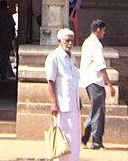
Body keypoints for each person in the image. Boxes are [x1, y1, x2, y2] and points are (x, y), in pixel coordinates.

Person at [79, 19, 116, 150]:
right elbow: (101, 66)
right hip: (95, 81)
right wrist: (110, 85)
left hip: (89, 81)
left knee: (95, 110)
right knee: (98, 112)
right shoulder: (95, 44)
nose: (104, 34)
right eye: (103, 31)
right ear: (98, 30)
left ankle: (83, 136)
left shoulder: (87, 42)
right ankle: (96, 141)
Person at [45, 28, 81, 161]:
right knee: (63, 138)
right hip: (62, 106)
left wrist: (79, 99)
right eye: (67, 40)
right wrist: (53, 103)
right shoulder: (54, 57)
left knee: (75, 139)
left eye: (72, 40)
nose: (70, 43)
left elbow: (74, 80)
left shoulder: (72, 57)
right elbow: (51, 81)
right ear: (60, 41)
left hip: (74, 105)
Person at [0, 0, 16, 80]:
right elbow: (12, 27)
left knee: (0, 56)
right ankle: (4, 73)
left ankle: (1, 73)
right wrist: (12, 37)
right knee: (5, 56)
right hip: (7, 37)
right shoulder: (8, 15)